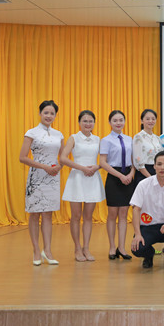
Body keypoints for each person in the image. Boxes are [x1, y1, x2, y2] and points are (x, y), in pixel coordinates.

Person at [19, 100, 64, 266]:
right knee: (35, 213)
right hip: (36, 177)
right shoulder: (31, 133)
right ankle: (36, 250)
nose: (49, 116)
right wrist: (45, 167)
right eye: (46, 112)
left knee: (48, 214)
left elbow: (63, 157)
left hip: (52, 177)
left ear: (55, 115)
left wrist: (59, 166)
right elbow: (22, 157)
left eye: (52, 113)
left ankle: (48, 250)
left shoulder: (59, 134)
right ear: (40, 113)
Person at [61, 110, 105, 262]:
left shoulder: (98, 139)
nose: (88, 124)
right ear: (79, 122)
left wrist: (97, 167)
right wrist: (82, 168)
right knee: (76, 216)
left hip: (92, 178)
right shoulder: (73, 138)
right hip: (77, 178)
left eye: (90, 121)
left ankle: (86, 248)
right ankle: (77, 248)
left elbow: (105, 160)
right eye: (85, 121)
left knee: (88, 216)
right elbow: (63, 158)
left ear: (94, 123)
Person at [99, 110, 135, 261]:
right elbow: (102, 162)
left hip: (128, 177)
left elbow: (134, 160)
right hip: (114, 177)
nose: (118, 123)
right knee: (112, 214)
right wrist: (120, 176)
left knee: (124, 214)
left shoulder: (130, 139)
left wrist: (131, 174)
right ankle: (112, 247)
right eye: (115, 120)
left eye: (121, 120)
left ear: (125, 121)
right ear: (110, 122)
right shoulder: (106, 140)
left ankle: (122, 247)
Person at [132, 109, 163, 188]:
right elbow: (138, 162)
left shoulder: (157, 138)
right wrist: (151, 178)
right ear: (142, 121)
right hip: (144, 174)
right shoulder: (138, 137)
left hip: (157, 172)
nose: (151, 121)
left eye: (153, 119)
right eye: (147, 119)